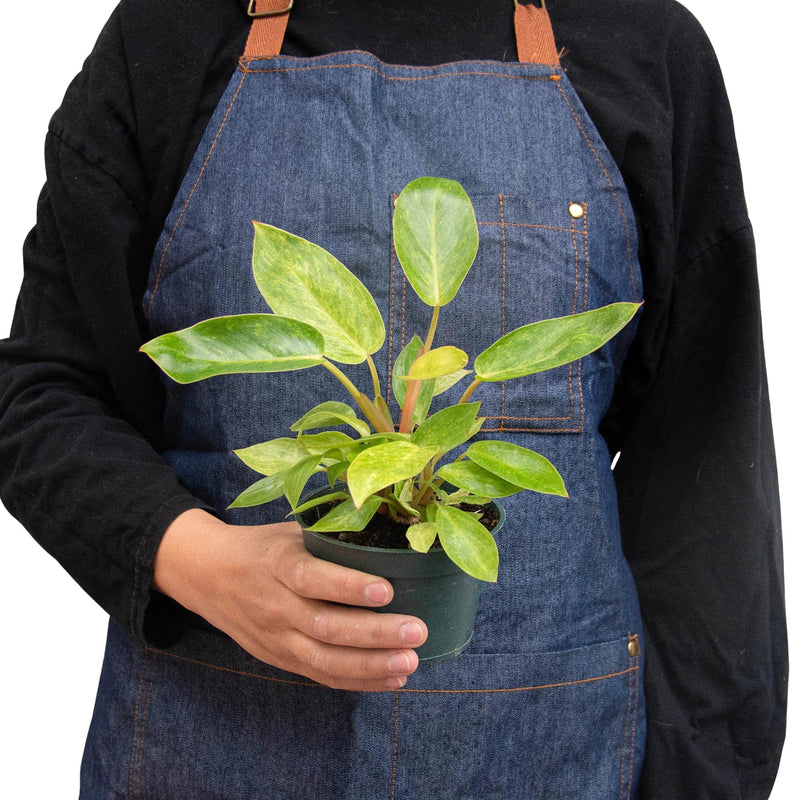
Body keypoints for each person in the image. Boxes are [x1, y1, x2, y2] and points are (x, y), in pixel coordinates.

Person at [0, 1, 786, 797]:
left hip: (544, 750)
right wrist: (195, 561)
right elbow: (38, 390)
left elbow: (703, 481)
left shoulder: (643, 44)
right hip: (208, 741)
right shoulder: (168, 36)